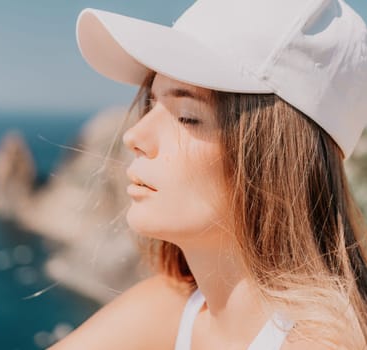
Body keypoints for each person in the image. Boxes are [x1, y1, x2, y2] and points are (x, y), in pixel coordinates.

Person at [49, 0, 367, 349]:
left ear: (272, 160)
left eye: (187, 115)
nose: (134, 136)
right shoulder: (174, 308)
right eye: (152, 104)